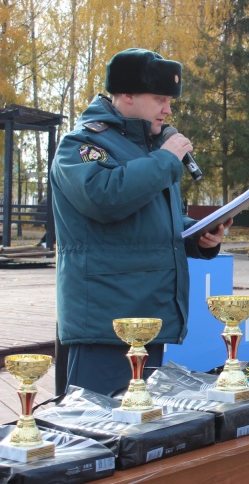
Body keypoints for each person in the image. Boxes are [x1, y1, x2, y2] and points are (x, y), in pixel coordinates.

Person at [51, 48, 231, 397]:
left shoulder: (152, 152)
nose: (168, 109)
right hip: (105, 324)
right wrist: (165, 160)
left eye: (169, 101)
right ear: (127, 95)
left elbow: (155, 219)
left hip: (149, 318)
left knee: (141, 434)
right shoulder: (84, 144)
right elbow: (105, 198)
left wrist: (199, 237)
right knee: (95, 431)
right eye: (160, 99)